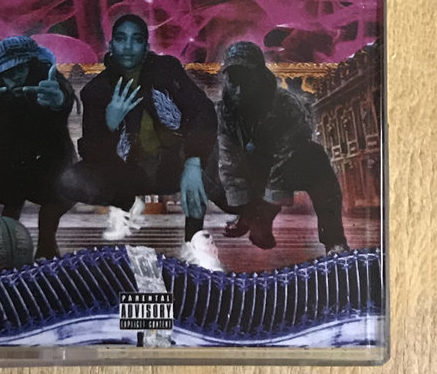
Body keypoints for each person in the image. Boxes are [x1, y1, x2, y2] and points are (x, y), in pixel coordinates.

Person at [60, 14, 227, 268]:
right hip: (129, 172)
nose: (128, 46)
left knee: (204, 143)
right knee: (70, 180)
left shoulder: (166, 70)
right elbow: (91, 154)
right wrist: (109, 123)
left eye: (136, 40)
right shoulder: (96, 90)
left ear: (146, 46)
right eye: (121, 39)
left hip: (175, 165)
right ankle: (126, 204)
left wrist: (193, 163)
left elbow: (202, 111)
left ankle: (194, 239)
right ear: (111, 45)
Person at [216, 41, 349, 255]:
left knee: (317, 160)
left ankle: (334, 240)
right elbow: (228, 157)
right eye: (234, 79)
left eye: (247, 78)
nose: (239, 90)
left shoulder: (286, 105)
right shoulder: (224, 111)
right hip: (249, 169)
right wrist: (244, 205)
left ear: (260, 76)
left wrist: (266, 211)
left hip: (283, 167)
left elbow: (286, 156)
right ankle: (247, 216)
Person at [0, 35, 74, 259]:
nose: (14, 79)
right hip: (10, 161)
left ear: (31, 64)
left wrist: (59, 100)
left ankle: (47, 243)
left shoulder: (47, 77)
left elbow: (64, 93)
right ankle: (5, 238)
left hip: (50, 159)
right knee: (10, 197)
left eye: (19, 70)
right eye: (7, 73)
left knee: (57, 199)